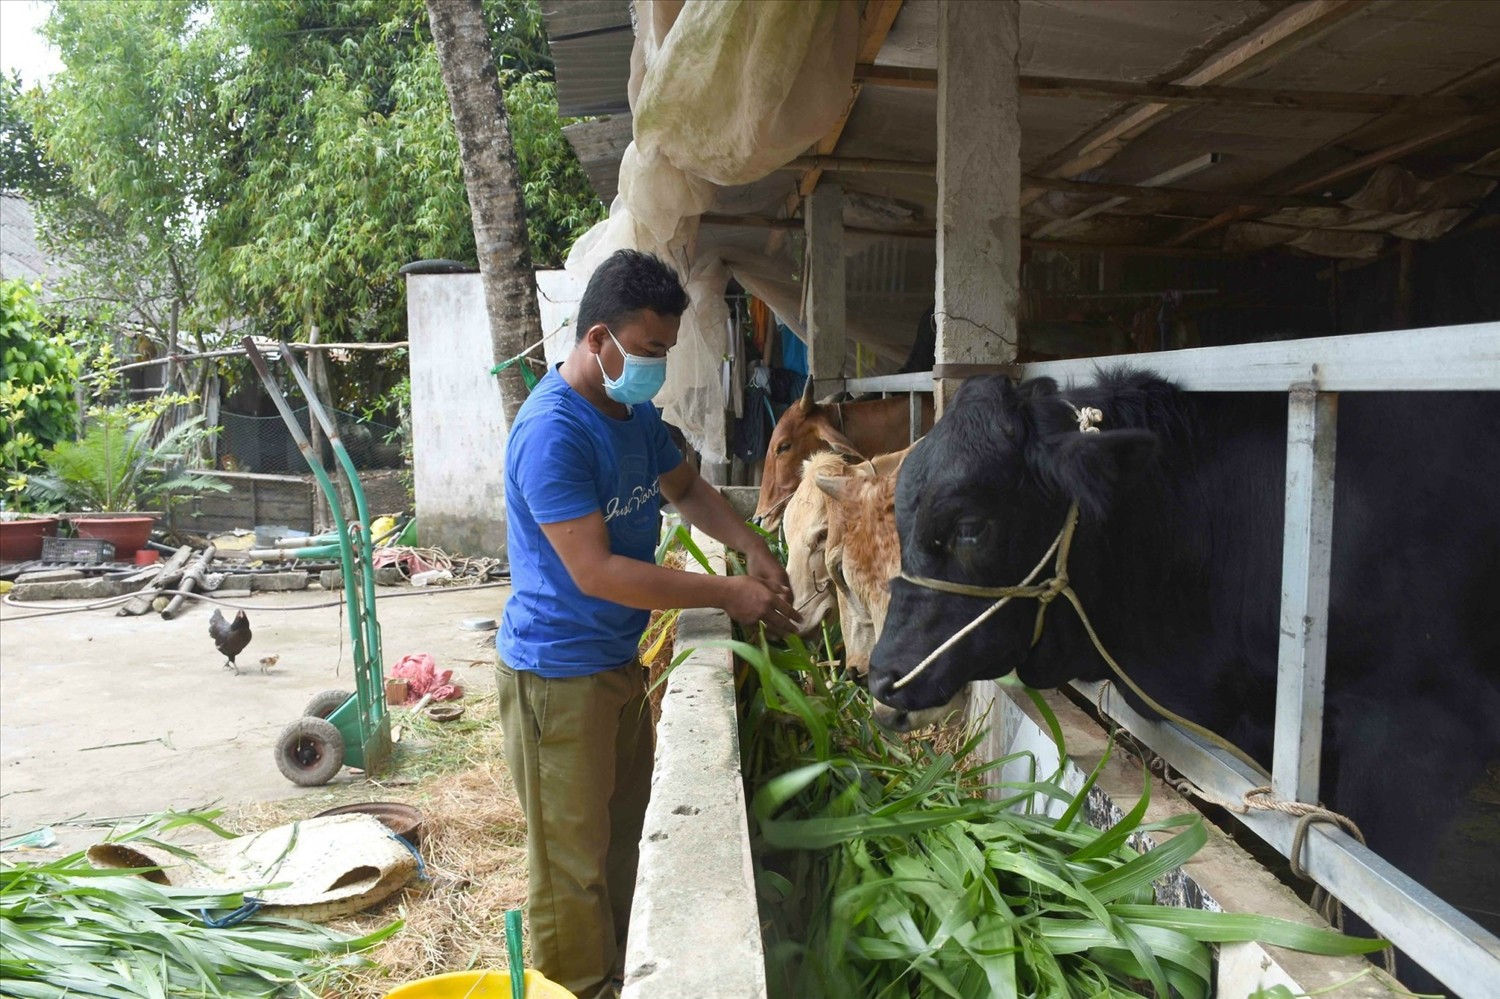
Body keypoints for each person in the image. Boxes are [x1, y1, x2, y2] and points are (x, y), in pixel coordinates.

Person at [496, 249, 799, 999]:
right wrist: (727, 593)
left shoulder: (630, 415)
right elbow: (596, 570)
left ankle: (631, 972)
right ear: (599, 339)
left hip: (616, 661)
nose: (659, 366)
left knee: (625, 833)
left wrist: (753, 545)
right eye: (651, 350)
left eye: (666, 350)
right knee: (571, 862)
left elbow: (687, 486)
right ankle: (577, 986)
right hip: (556, 676)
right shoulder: (553, 433)